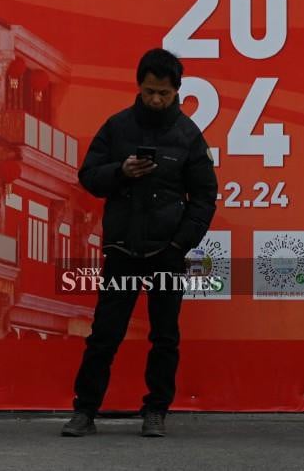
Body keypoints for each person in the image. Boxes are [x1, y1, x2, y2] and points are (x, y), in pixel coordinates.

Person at [61, 48, 217, 438]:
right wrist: (121, 171)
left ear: (177, 91)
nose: (155, 100)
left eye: (163, 93)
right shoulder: (117, 127)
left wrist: (179, 245)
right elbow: (89, 176)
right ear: (139, 87)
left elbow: (204, 198)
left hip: (167, 254)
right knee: (103, 335)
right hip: (122, 251)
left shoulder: (188, 136)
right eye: (149, 91)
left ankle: (156, 410)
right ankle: (85, 411)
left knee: (165, 336)